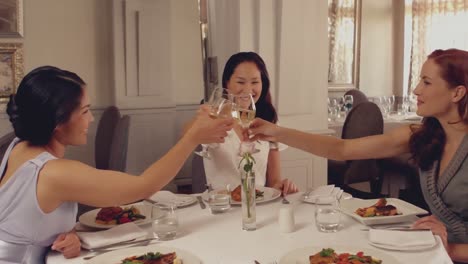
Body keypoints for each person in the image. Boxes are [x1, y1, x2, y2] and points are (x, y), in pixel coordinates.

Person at [248, 49, 468, 262]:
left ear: (457, 93)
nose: (416, 90)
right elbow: (342, 149)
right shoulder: (423, 135)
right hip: (431, 249)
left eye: (427, 82)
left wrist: (452, 249)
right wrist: (277, 132)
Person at [0, 66, 233, 263]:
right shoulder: (54, 173)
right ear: (57, 121)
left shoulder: (19, 146)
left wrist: (66, 235)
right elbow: (143, 186)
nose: (91, 119)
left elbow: (26, 220)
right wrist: (192, 137)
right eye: (85, 111)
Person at [201, 52, 298, 194]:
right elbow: (186, 135)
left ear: (262, 84)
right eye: (240, 82)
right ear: (227, 83)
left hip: (256, 204)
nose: (247, 90)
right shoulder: (214, 117)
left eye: (255, 82)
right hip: (221, 205)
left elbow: (273, 182)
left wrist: (282, 186)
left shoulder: (268, 120)